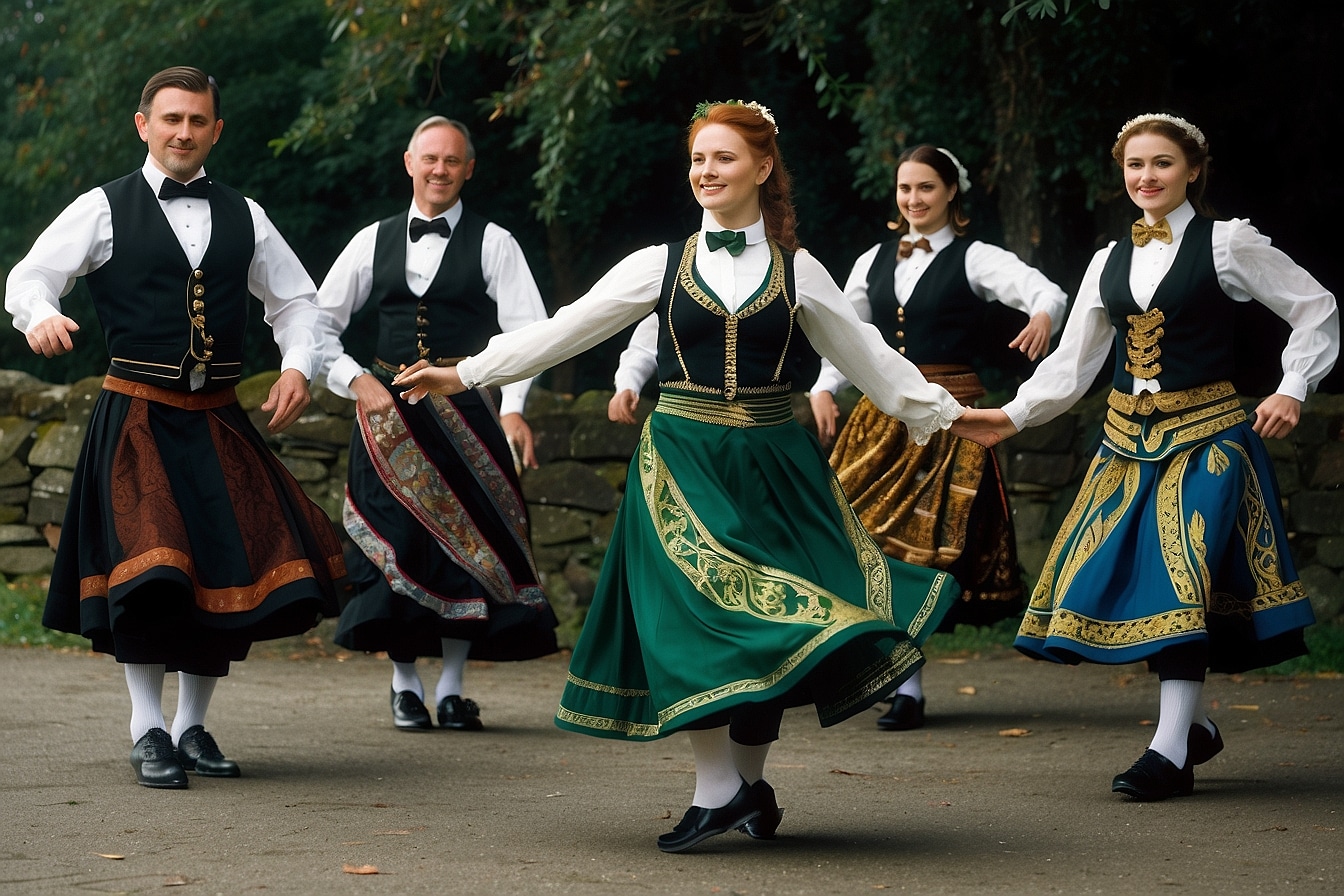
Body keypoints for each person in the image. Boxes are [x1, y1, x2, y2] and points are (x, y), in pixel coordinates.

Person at [394, 100, 966, 852]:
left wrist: (952, 417)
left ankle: (744, 788)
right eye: (697, 159)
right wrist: (467, 372)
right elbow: (565, 327)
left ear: (762, 168)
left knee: (775, 629)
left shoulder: (801, 271)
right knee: (696, 625)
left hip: (775, 468)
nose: (705, 172)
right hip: (681, 463)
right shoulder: (659, 263)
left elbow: (869, 357)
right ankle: (718, 791)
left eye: (722, 158)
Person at [952, 112, 1337, 800]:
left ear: (1192, 170)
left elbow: (1315, 307)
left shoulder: (1228, 244)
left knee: (1183, 584)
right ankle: (1187, 731)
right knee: (1141, 588)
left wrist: (1293, 388)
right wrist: (1010, 416)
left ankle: (1168, 751)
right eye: (1135, 165)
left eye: (1162, 163)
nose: (1146, 177)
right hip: (1127, 445)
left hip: (1210, 438)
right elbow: (1075, 362)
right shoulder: (1108, 259)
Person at [4, 66, 347, 789]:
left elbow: (299, 304)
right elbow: (29, 276)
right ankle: (146, 728)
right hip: (136, 415)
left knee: (221, 568)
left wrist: (297, 367)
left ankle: (191, 726)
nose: (184, 132)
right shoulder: (101, 209)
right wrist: (39, 315)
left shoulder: (246, 214)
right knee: (153, 569)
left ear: (215, 130)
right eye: (171, 119)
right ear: (144, 125)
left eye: (197, 121)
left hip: (218, 416)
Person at [807, 144, 1066, 731]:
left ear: (951, 192)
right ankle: (884, 671)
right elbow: (844, 332)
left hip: (948, 419)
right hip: (880, 418)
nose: (914, 199)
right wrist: (824, 387)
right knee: (860, 539)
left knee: (919, 547)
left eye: (926, 187)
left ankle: (909, 688)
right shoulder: (872, 259)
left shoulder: (976, 259)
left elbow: (1045, 291)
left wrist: (1045, 315)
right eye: (905, 188)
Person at [316, 116, 558, 734]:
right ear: (409, 162)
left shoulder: (495, 241)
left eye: (452, 161)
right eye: (430, 159)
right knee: (395, 546)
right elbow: (314, 326)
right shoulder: (373, 240)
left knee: (468, 550)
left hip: (468, 417)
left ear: (468, 169)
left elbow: (531, 335)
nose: (440, 170)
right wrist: (355, 381)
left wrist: (513, 406)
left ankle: (451, 688)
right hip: (387, 417)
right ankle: (404, 685)